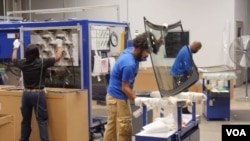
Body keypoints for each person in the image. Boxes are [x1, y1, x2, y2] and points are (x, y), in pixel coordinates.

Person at [103, 32, 160, 141]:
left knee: (112, 127)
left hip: (113, 96)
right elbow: (125, 87)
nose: (147, 56)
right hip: (118, 98)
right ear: (140, 48)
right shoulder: (130, 64)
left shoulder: (129, 51)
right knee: (124, 127)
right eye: (147, 52)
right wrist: (137, 99)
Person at [12, 38, 64, 141]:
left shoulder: (23, 63)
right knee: (42, 121)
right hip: (38, 95)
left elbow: (13, 59)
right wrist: (59, 45)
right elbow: (58, 57)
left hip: (26, 94)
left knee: (26, 121)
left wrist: (15, 47)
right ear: (37, 53)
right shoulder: (42, 62)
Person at [170, 41, 202, 114]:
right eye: (198, 49)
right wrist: (195, 79)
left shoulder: (186, 48)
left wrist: (196, 67)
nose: (197, 51)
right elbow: (189, 70)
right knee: (182, 93)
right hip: (179, 75)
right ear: (196, 47)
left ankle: (182, 109)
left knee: (183, 92)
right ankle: (182, 110)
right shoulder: (187, 53)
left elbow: (191, 61)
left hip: (179, 73)